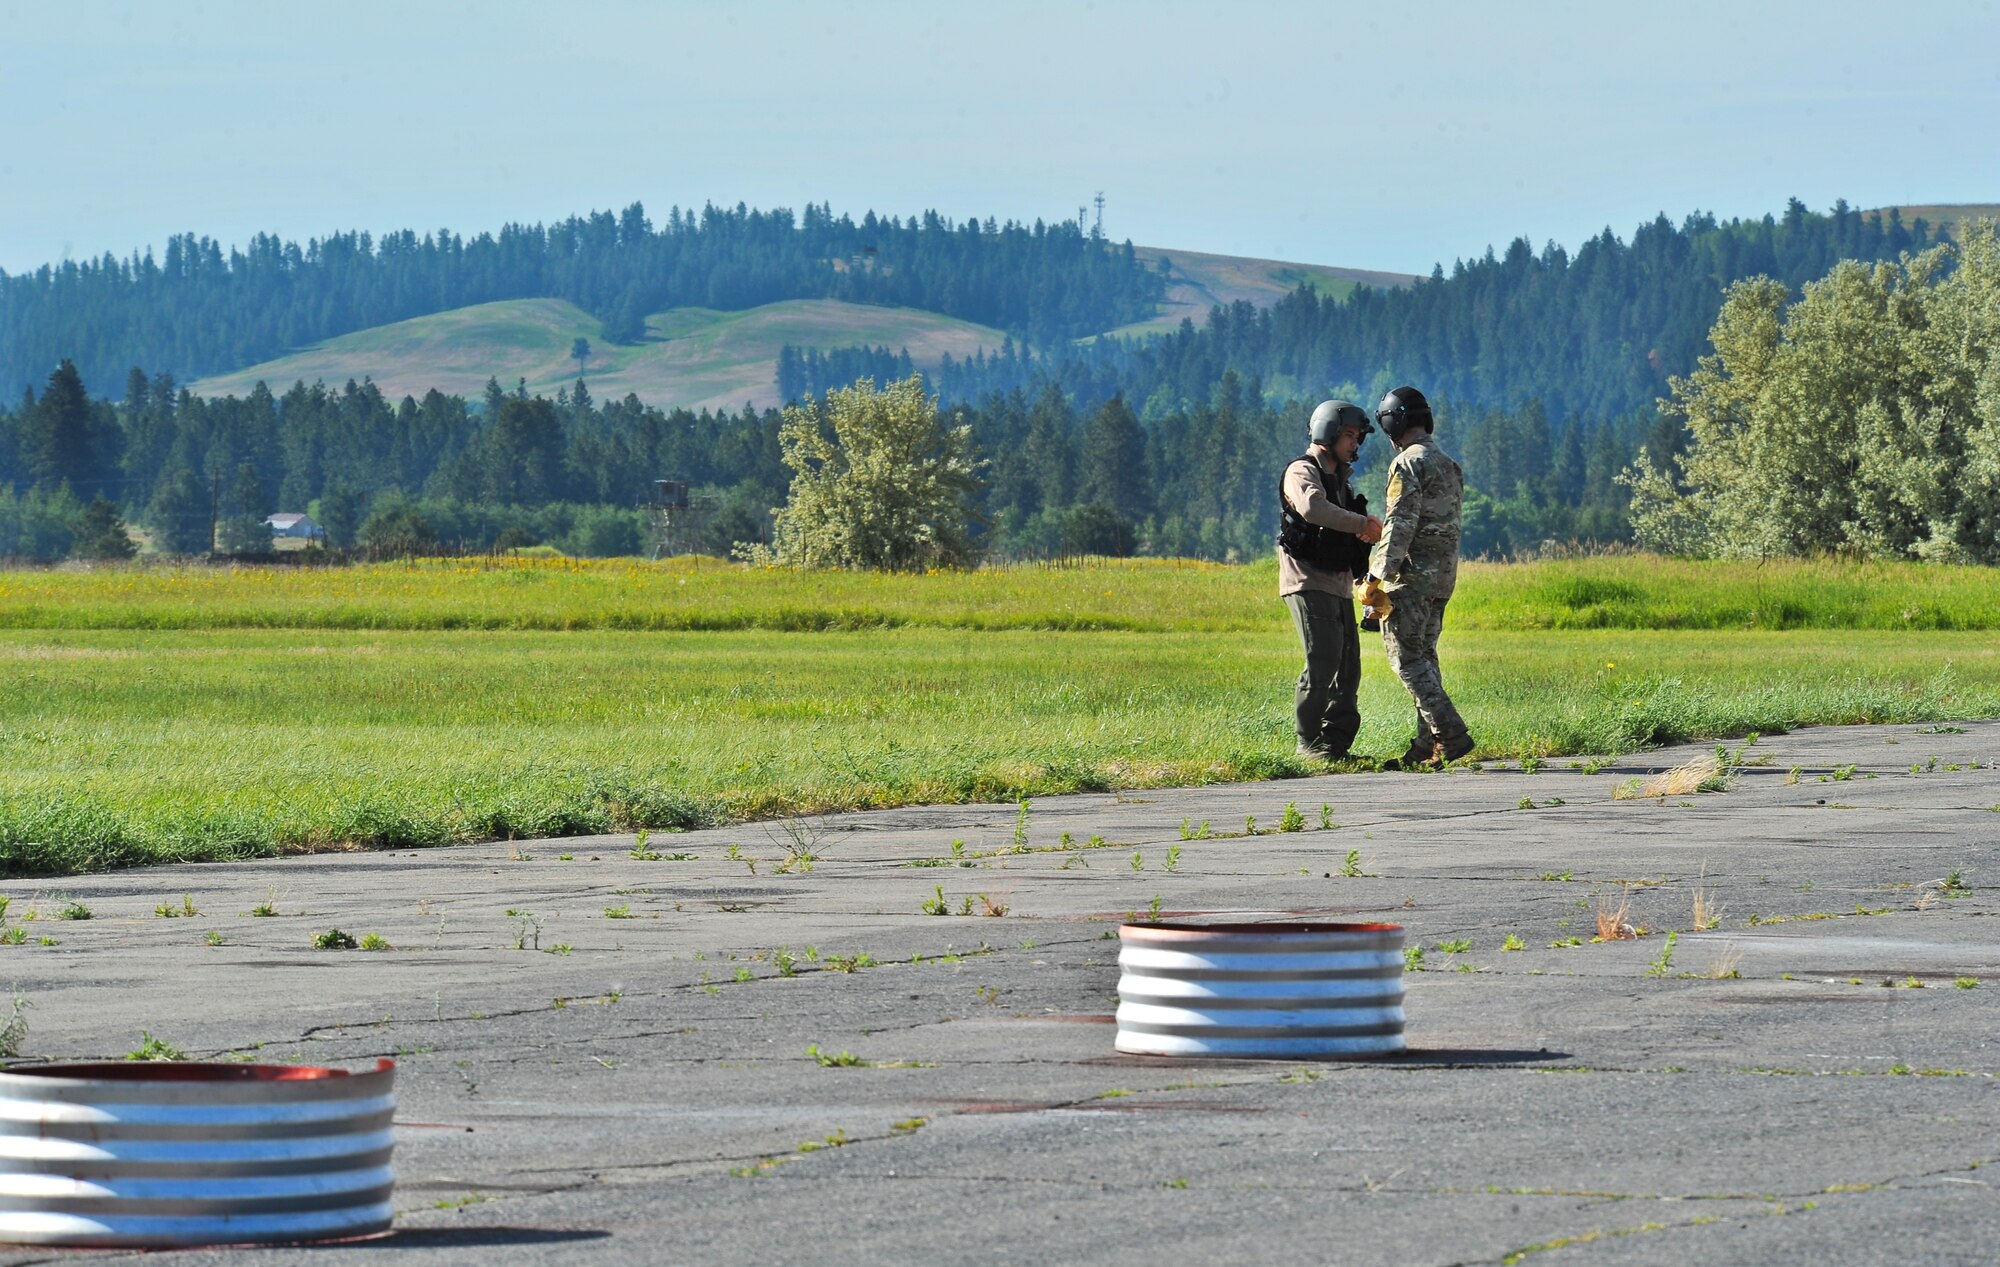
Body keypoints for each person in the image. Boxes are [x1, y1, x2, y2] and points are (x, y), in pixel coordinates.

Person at [1360, 386, 1474, 768]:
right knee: (1424, 658)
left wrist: (1376, 575)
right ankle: (1427, 747)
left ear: (1393, 423)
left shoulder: (1408, 464)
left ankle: (1451, 734)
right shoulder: (1448, 463)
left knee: (1406, 661)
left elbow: (1399, 524)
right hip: (1442, 580)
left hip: (1410, 580)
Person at [1277, 400, 1384, 761]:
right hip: (1308, 581)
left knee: (1348, 669)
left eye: (1358, 437)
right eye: (1350, 435)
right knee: (1322, 661)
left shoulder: (1342, 483)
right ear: (1329, 433)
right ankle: (1309, 745)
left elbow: (1346, 528)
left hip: (1339, 584)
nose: (1355, 444)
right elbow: (1312, 509)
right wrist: (1361, 524)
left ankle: (1335, 747)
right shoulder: (1301, 471)